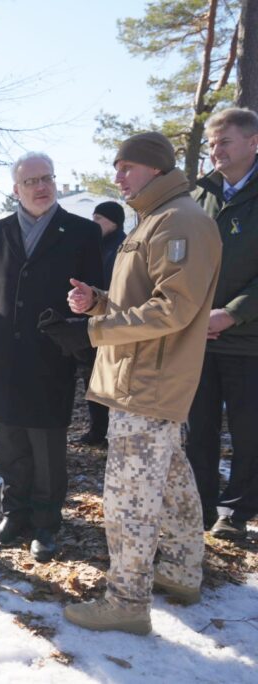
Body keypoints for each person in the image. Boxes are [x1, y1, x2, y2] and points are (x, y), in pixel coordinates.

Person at [42, 132, 221, 634]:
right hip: (142, 378)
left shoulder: (179, 220)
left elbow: (173, 310)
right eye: (116, 166)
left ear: (156, 168)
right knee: (173, 481)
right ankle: (181, 571)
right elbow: (145, 299)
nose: (117, 176)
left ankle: (127, 601)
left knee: (129, 499)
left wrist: (92, 331)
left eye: (127, 167)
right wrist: (97, 301)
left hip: (148, 383)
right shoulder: (156, 218)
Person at [0, 151, 103, 563]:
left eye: (47, 178)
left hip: (52, 353)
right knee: (9, 443)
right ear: (16, 189)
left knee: (46, 447)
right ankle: (14, 515)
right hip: (4, 354)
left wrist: (84, 340)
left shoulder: (81, 232)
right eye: (31, 181)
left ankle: (45, 523)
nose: (41, 187)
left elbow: (97, 294)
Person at [186, 107, 258, 541]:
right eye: (212, 144)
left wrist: (231, 313)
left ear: (253, 142)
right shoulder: (201, 195)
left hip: (249, 340)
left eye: (225, 142)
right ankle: (200, 503)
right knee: (199, 430)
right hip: (199, 338)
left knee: (249, 433)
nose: (216, 151)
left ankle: (236, 512)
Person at [76, 201, 127, 447]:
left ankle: (111, 431)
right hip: (92, 319)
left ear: (114, 222)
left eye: (99, 219)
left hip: (113, 321)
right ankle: (97, 430)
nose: (93, 223)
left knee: (111, 380)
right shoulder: (96, 246)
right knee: (91, 376)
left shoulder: (123, 247)